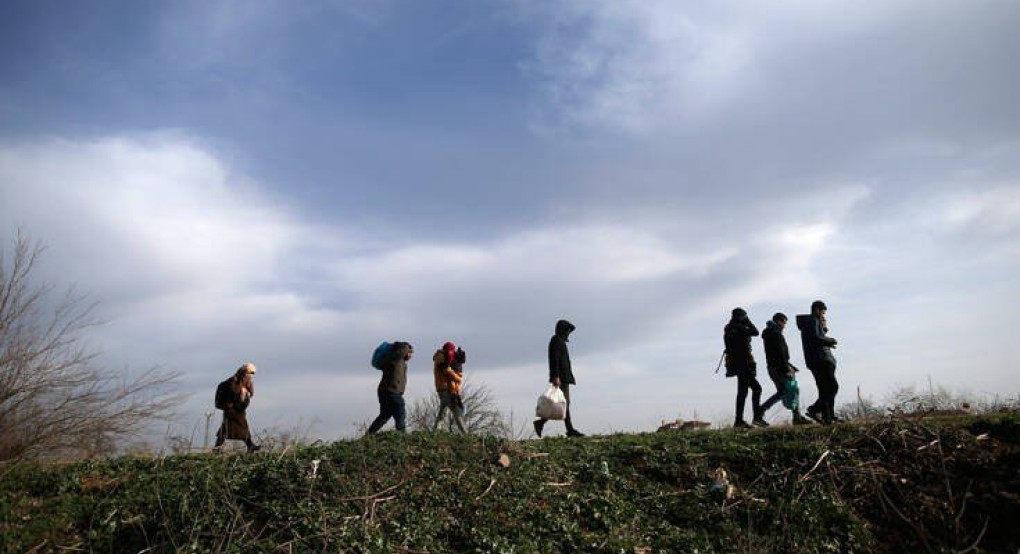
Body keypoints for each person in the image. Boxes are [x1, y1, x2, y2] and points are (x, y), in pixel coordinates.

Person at [758, 313, 812, 425]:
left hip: (774, 367)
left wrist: (789, 365)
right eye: (783, 322)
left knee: (784, 391)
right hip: (779, 368)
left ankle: (762, 410)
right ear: (778, 321)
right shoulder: (775, 334)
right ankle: (762, 410)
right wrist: (786, 368)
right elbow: (779, 353)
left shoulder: (770, 333)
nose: (784, 325)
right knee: (791, 390)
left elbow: (776, 354)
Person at [534, 319, 585, 438]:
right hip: (560, 377)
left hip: (564, 377)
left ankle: (541, 423)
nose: (568, 333)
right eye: (567, 331)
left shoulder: (560, 341)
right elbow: (554, 360)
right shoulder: (556, 340)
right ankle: (569, 429)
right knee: (563, 403)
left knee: (561, 403)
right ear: (562, 330)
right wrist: (556, 376)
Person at [796, 300, 839, 425]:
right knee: (832, 387)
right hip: (821, 359)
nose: (823, 316)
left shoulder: (810, 323)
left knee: (824, 389)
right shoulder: (812, 320)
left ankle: (828, 418)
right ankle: (814, 409)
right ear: (817, 310)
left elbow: (815, 338)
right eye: (823, 312)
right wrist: (831, 340)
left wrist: (824, 330)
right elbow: (815, 338)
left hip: (815, 360)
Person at [724, 308, 766, 428]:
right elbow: (756, 332)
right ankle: (747, 420)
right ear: (740, 316)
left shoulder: (728, 328)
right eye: (744, 316)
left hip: (736, 364)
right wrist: (748, 321)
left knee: (746, 391)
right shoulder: (740, 328)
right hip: (744, 364)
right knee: (750, 390)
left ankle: (743, 420)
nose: (745, 318)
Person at [367, 342, 414, 434]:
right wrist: (405, 346)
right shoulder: (396, 357)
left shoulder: (395, 359)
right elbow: (401, 349)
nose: (411, 355)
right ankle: (401, 433)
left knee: (384, 415)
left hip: (385, 391)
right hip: (391, 391)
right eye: (410, 352)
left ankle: (369, 434)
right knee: (400, 409)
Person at [214, 362, 261, 453]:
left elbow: (250, 393)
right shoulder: (233, 380)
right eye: (250, 372)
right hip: (231, 408)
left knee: (226, 429)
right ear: (244, 372)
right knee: (242, 425)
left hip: (237, 408)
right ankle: (250, 445)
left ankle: (217, 448)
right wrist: (241, 391)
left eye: (252, 373)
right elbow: (233, 392)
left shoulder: (245, 381)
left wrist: (246, 392)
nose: (251, 375)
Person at [432, 341, 467, 433]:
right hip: (446, 389)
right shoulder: (442, 358)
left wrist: (457, 363)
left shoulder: (442, 357)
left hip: (445, 389)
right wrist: (458, 376)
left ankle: (434, 433)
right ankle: (465, 434)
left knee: (442, 413)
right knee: (457, 411)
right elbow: (450, 373)